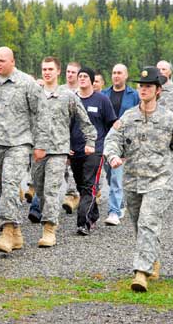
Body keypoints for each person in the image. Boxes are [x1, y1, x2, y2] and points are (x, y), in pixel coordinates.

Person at [104, 66, 173, 292]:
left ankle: (140, 273)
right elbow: (112, 138)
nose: (143, 89)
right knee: (140, 225)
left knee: (148, 222)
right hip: (133, 181)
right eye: (141, 86)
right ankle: (152, 259)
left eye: (148, 86)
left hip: (160, 181)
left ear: (158, 91)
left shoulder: (168, 119)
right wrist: (113, 155)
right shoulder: (128, 117)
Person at [0, 46, 46, 253]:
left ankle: (6, 231)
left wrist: (40, 144)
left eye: (2, 60)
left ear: (12, 62)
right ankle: (16, 232)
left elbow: (40, 113)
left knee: (9, 184)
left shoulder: (26, 83)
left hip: (18, 143)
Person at [32, 57, 96, 246]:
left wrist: (90, 141)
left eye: (50, 69)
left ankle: (49, 229)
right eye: (44, 69)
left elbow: (84, 121)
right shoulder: (34, 94)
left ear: (58, 71)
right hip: (37, 151)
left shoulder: (68, 96)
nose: (47, 72)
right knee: (40, 189)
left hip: (58, 150)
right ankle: (47, 216)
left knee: (52, 189)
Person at [70, 67, 117, 235]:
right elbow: (65, 124)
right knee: (81, 185)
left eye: (85, 76)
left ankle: (83, 223)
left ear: (91, 80)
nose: (82, 78)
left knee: (89, 186)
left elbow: (112, 124)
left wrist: (110, 147)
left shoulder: (101, 100)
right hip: (75, 150)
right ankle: (94, 213)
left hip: (95, 150)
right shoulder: (71, 99)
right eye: (80, 76)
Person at [102, 64, 140, 226]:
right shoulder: (104, 95)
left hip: (125, 143)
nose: (116, 76)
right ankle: (121, 203)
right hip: (106, 142)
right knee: (110, 176)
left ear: (126, 76)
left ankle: (114, 212)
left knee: (117, 178)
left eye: (119, 73)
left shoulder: (134, 95)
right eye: (113, 73)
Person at [60, 61, 82, 214]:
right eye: (68, 71)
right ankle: (73, 194)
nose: (69, 74)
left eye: (73, 72)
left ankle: (72, 195)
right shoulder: (59, 90)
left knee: (75, 168)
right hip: (61, 134)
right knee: (62, 168)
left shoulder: (82, 92)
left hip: (76, 135)